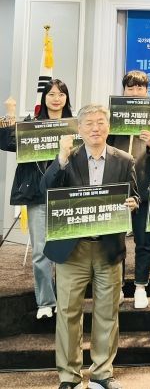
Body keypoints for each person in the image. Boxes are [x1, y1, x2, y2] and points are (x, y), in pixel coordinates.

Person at [40, 104, 140, 389]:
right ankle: (69, 376)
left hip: (108, 248)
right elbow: (45, 190)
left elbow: (135, 196)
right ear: (79, 129)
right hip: (72, 249)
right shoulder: (67, 158)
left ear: (108, 126)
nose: (95, 128)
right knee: (68, 312)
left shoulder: (124, 160)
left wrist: (133, 203)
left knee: (107, 312)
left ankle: (102, 374)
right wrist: (60, 158)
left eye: (100, 122)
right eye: (89, 123)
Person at [0, 79, 73, 319]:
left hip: (67, 196)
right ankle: (45, 301)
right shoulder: (32, 124)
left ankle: (65, 300)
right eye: (51, 94)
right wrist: (11, 114)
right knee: (41, 251)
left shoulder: (74, 125)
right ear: (44, 98)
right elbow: (7, 142)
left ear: (66, 98)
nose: (56, 98)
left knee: (66, 252)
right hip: (38, 196)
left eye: (60, 94)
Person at [107, 70, 150, 309]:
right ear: (123, 90)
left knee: (143, 242)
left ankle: (141, 286)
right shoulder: (114, 116)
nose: (135, 92)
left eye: (140, 88)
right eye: (130, 88)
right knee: (116, 242)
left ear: (147, 91)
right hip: (118, 189)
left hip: (144, 189)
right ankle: (119, 286)